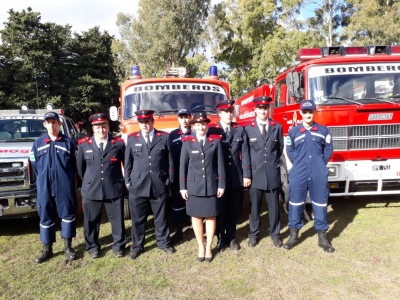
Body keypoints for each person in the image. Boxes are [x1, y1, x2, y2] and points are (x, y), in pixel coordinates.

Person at [284, 100, 335, 252]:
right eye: (305, 112)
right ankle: (294, 235)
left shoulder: (323, 131)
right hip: (299, 171)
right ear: (301, 113)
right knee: (295, 203)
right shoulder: (293, 132)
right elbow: (290, 151)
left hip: (318, 171)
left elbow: (328, 150)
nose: (307, 114)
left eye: (310, 111)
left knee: (320, 202)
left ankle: (322, 237)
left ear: (314, 112)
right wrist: (300, 163)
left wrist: (319, 163)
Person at [125, 110, 175, 259]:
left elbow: (171, 162)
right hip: (138, 185)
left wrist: (169, 180)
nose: (144, 125)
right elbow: (128, 163)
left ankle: (163, 242)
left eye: (147, 122)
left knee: (161, 217)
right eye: (141, 122)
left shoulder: (164, 137)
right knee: (138, 219)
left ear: (152, 122)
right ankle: (137, 246)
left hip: (159, 184)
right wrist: (128, 182)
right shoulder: (132, 139)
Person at [76, 113, 127, 259]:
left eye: (103, 126)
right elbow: (80, 168)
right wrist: (89, 181)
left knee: (117, 220)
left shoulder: (118, 144)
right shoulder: (84, 145)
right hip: (92, 189)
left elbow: (126, 164)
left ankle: (119, 246)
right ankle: (92, 247)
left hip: (113, 187)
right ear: (93, 128)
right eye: (98, 127)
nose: (101, 130)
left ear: (108, 127)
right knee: (91, 221)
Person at [30, 112, 78, 263]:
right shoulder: (38, 143)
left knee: (68, 214)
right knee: (45, 214)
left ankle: (68, 246)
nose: (52, 125)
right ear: (45, 124)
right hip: (45, 185)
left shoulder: (68, 143)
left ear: (59, 124)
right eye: (48, 122)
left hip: (64, 184)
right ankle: (47, 248)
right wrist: (45, 177)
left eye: (54, 122)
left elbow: (75, 164)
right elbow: (34, 164)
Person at [180, 111, 225, 262]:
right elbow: (183, 167)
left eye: (203, 124)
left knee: (211, 215)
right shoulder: (187, 143)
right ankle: (201, 246)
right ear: (193, 127)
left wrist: (221, 184)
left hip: (211, 185)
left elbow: (220, 165)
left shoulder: (215, 142)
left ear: (207, 126)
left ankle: (209, 246)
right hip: (193, 186)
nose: (201, 127)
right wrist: (182, 187)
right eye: (198, 125)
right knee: (196, 217)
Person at [208, 100, 251, 251]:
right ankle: (221, 239)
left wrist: (246, 174)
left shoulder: (239, 129)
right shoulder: (212, 129)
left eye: (230, 112)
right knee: (220, 209)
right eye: (225, 112)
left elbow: (245, 153)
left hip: (236, 176)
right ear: (219, 113)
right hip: (218, 177)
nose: (228, 114)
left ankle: (232, 237)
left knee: (234, 209)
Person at [244, 96, 284, 248]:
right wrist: (247, 174)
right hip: (255, 174)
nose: (262, 111)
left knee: (274, 207)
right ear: (255, 110)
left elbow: (279, 149)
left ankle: (275, 234)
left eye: (265, 108)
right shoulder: (248, 128)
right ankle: (253, 234)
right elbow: (246, 153)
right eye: (260, 108)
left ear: (268, 109)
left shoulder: (277, 126)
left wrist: (272, 165)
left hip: (272, 173)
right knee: (255, 207)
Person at [168, 107, 192, 243]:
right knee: (177, 202)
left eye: (186, 117)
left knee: (193, 201)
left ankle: (197, 228)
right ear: (178, 118)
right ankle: (178, 230)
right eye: (181, 117)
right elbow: (169, 156)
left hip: (193, 173)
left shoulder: (195, 132)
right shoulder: (172, 135)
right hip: (177, 174)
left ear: (190, 117)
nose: (184, 120)